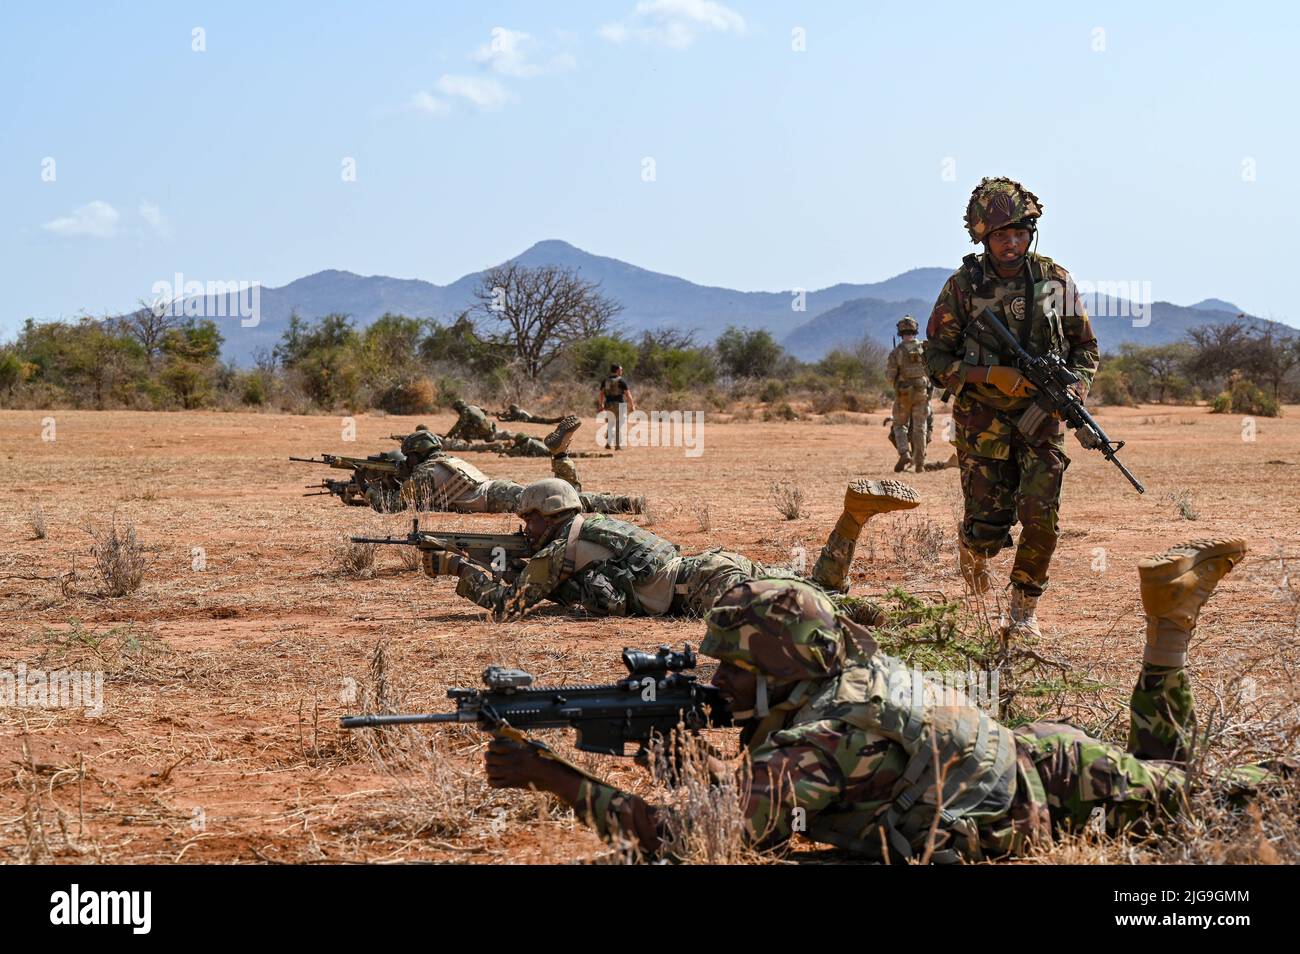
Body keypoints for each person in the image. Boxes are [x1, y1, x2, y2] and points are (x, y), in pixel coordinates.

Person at [483, 538, 1289, 862]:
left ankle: (1171, 636)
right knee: (1173, 775)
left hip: (1050, 784)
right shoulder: (831, 681)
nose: (715, 682)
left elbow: (695, 840)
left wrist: (554, 780)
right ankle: (1169, 632)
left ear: (783, 667)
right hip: (1030, 750)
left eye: (732, 669)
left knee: (1205, 796)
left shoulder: (821, 740)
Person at [923, 177, 1100, 637]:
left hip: (1043, 418)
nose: (1012, 242)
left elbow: (1085, 347)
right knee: (987, 524)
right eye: (1002, 235)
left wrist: (1074, 391)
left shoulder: (1054, 280)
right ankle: (973, 549)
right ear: (984, 237)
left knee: (1042, 516)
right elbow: (935, 358)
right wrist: (986, 376)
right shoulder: (963, 287)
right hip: (982, 422)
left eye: (1020, 233)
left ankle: (1023, 610)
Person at [420, 477, 919, 622]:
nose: (523, 528)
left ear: (547, 516)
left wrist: (458, 571)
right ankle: (852, 517)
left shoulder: (559, 550)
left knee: (818, 607)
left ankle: (859, 608)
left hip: (706, 589)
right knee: (820, 586)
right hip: (712, 566)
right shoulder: (590, 527)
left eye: (527, 518)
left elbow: (511, 608)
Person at [372, 423, 643, 515]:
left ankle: (620, 502)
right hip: (496, 487)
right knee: (565, 500)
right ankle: (564, 459)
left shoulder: (424, 473)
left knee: (565, 502)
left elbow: (394, 507)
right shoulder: (446, 461)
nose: (407, 462)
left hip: (495, 496)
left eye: (409, 458)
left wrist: (373, 490)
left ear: (417, 455)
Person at [885, 316, 933, 473]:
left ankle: (905, 452)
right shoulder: (924, 349)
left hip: (903, 394)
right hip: (922, 393)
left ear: (900, 332)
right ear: (915, 330)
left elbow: (889, 377)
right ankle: (920, 463)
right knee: (920, 428)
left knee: (899, 425)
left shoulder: (897, 352)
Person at [445, 400, 523, 444]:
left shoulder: (465, 411)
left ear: (459, 407)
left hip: (482, 431)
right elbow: (484, 411)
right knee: (499, 435)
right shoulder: (473, 407)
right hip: (489, 427)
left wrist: (449, 434)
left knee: (464, 427)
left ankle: (468, 443)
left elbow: (459, 424)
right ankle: (518, 436)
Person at [597, 365, 635, 451]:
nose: (622, 371)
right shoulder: (621, 381)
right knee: (619, 425)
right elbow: (628, 394)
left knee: (611, 424)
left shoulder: (605, 381)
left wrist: (601, 404)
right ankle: (617, 445)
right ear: (617, 370)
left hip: (608, 404)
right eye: (621, 370)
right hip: (619, 405)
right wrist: (632, 405)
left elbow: (601, 394)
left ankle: (609, 443)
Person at [495, 404, 566, 425]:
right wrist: (502, 415)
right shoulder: (518, 411)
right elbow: (510, 416)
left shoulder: (517, 413)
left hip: (533, 419)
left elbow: (510, 419)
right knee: (547, 421)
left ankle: (560, 419)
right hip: (533, 418)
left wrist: (500, 419)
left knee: (547, 421)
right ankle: (560, 419)